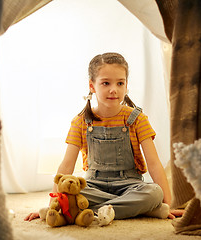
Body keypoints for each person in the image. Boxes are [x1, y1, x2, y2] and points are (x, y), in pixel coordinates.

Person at [25, 52, 184, 221]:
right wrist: (54, 205)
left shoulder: (138, 119)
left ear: (126, 85)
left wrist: (168, 205)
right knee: (69, 189)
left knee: (154, 193)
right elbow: (66, 165)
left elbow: (154, 164)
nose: (113, 90)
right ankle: (140, 210)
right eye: (106, 83)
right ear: (92, 86)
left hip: (129, 184)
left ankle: (87, 211)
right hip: (93, 184)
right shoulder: (80, 122)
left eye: (120, 83)